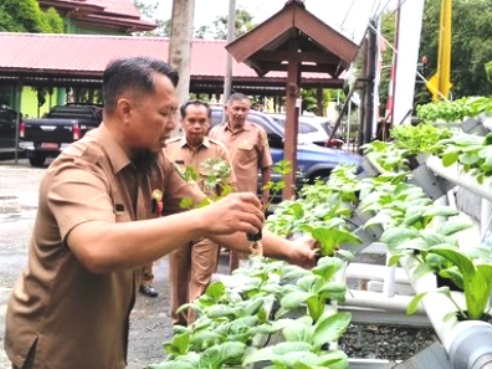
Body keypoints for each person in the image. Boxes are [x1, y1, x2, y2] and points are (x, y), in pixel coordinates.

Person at [4, 57, 315, 369]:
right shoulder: (78, 168)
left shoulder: (153, 161)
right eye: (165, 113)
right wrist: (203, 221)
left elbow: (218, 221)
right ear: (126, 110)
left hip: (104, 341)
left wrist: (292, 250)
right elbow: (97, 248)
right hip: (56, 347)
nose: (173, 124)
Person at [164, 99, 236, 325]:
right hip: (177, 224)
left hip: (208, 227)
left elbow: (228, 190)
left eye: (201, 121)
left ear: (208, 123)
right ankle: (179, 326)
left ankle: (195, 330)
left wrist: (226, 226)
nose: (196, 126)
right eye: (191, 121)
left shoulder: (218, 150)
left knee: (201, 279)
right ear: (182, 122)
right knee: (178, 279)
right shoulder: (168, 149)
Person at [208, 93, 272, 272]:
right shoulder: (215, 132)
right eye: (236, 108)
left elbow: (266, 166)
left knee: (241, 245)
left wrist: (265, 196)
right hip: (217, 196)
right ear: (227, 109)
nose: (240, 113)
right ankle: (209, 285)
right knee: (213, 241)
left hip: (244, 198)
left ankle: (237, 284)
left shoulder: (257, 133)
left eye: (244, 109)